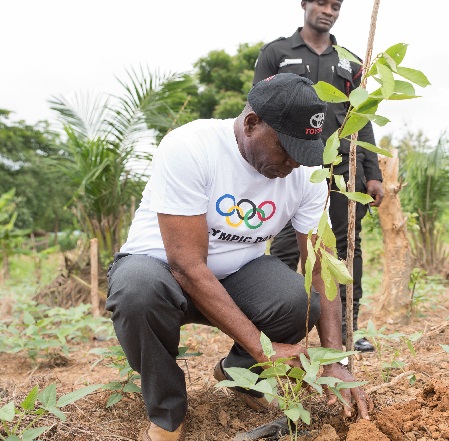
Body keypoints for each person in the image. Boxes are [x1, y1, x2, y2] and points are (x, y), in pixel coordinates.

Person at [106, 73, 371, 441]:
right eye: (287, 149)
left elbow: (322, 267)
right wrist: (265, 349)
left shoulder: (305, 171)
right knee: (136, 290)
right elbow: (186, 265)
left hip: (236, 275)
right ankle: (168, 411)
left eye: (303, 152)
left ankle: (239, 375)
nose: (295, 163)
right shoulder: (191, 147)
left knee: (297, 299)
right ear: (251, 124)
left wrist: (336, 359)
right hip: (162, 271)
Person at [253, 0, 384, 352]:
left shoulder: (351, 60)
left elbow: (363, 117)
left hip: (342, 167)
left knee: (345, 248)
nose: (328, 10)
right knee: (282, 247)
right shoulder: (276, 52)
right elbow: (257, 105)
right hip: (291, 165)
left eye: (336, 5)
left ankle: (346, 331)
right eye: (322, 3)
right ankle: (270, 331)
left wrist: (372, 174)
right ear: (305, 4)